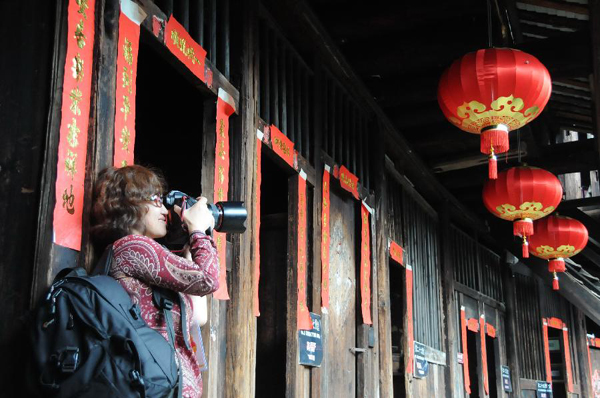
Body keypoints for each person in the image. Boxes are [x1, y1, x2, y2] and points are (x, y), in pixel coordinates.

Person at [91, 165, 219, 398]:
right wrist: (198, 229)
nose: (164, 208)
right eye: (155, 199)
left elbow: (198, 317)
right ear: (130, 203)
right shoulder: (133, 246)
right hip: (151, 387)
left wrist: (191, 250)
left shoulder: (151, 255)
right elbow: (209, 280)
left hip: (165, 387)